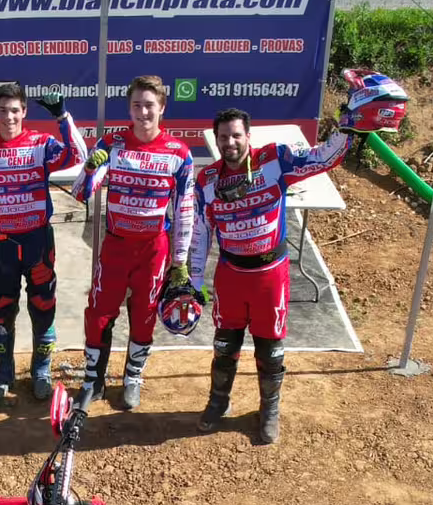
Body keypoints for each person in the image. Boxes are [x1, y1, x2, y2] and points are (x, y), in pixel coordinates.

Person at [182, 74, 409, 445]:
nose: (230, 143)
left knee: (270, 348)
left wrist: (348, 126)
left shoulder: (275, 159)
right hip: (230, 274)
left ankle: (269, 410)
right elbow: (201, 233)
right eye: (223, 137)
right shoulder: (206, 179)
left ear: (248, 136)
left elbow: (324, 157)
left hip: (270, 275)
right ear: (216, 139)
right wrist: (193, 280)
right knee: (225, 344)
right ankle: (217, 402)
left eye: (236, 135)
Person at [0, 82, 88, 405]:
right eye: (3, 110)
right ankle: (3, 373)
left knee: (43, 307)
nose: (9, 117)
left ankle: (41, 371)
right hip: (2, 245)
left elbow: (78, 155)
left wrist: (63, 117)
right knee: (1, 312)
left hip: (38, 242)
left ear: (24, 112)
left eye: (15, 110)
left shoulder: (41, 144)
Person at [73, 74, 195, 410]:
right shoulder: (112, 143)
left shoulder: (179, 153)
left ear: (162, 107)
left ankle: (133, 377)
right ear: (129, 108)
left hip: (154, 249)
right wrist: (89, 168)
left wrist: (180, 261)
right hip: (116, 245)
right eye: (136, 105)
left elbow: (185, 211)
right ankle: (93, 381)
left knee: (144, 314)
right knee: (99, 312)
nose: (143, 112)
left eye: (149, 105)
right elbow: (80, 192)